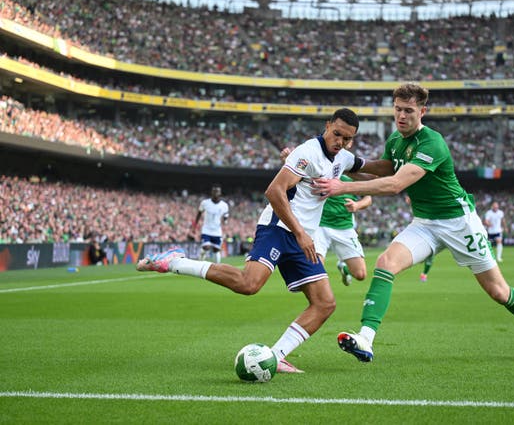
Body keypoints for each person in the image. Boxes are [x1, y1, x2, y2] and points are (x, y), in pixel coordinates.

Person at [313, 83, 514, 363]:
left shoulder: (433, 143)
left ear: (422, 111)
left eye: (408, 110)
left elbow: (395, 184)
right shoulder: (395, 141)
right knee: (385, 263)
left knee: (498, 291)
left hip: (459, 223)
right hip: (425, 223)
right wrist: (348, 164)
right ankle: (366, 338)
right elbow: (384, 169)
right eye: (397, 110)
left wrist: (341, 185)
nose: (401, 116)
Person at [137, 108, 363, 373]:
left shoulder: (342, 158)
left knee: (325, 303)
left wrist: (406, 162)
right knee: (249, 283)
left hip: (304, 236)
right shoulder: (308, 151)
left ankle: (276, 356)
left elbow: (376, 169)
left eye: (347, 139)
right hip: (280, 226)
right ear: (327, 126)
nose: (341, 142)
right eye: (337, 134)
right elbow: (273, 191)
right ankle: (175, 262)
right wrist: (301, 234)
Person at [280, 141, 373, 286]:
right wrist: (288, 160)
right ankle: (320, 302)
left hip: (344, 226)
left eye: (346, 139)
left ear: (350, 143)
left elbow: (368, 197)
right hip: (320, 226)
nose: (341, 141)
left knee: (360, 274)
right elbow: (301, 175)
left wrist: (357, 205)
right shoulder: (322, 165)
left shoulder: (352, 172)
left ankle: (344, 268)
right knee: (317, 271)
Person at [192, 185, 229, 263]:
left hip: (217, 230)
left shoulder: (224, 205)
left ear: (220, 193)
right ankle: (200, 262)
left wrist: (225, 223)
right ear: (211, 192)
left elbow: (226, 216)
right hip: (206, 229)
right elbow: (199, 214)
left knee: (216, 250)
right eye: (214, 191)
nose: (215, 193)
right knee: (206, 247)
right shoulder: (205, 203)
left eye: (217, 191)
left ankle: (217, 266)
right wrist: (194, 226)